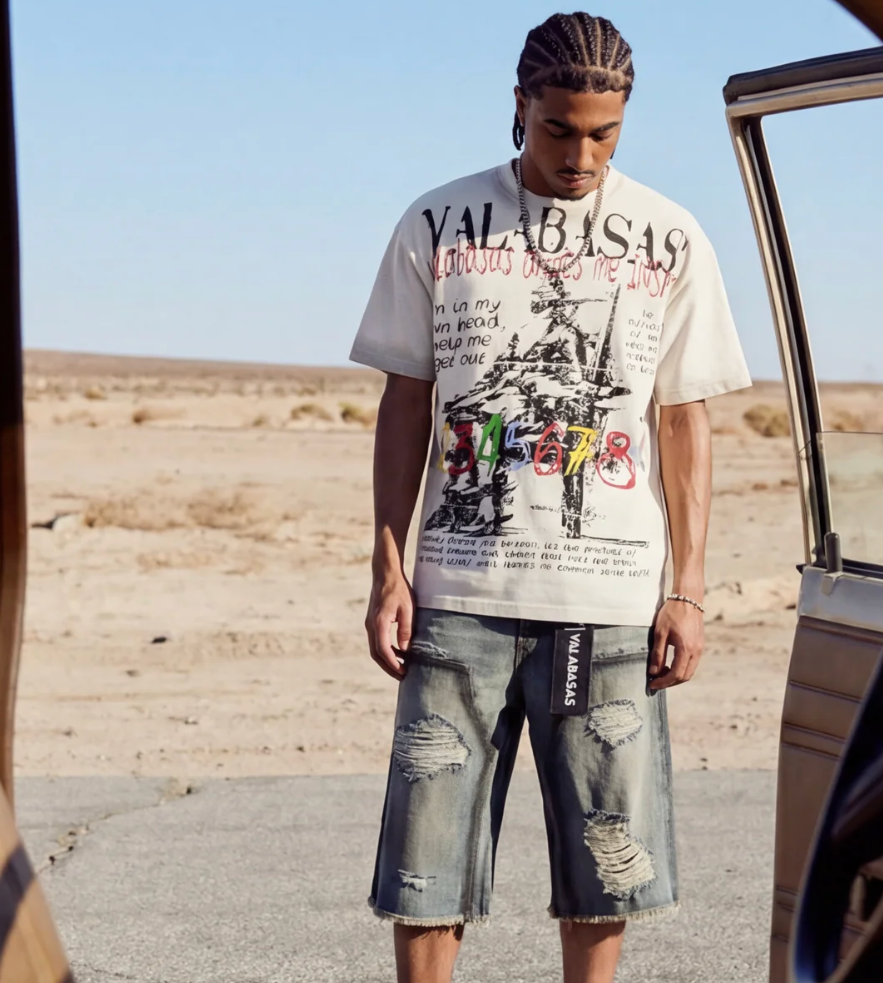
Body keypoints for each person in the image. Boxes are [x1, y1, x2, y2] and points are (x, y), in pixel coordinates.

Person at [347, 11, 751, 983]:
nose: (580, 156)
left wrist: (687, 588)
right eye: (557, 129)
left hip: (606, 602)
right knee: (426, 858)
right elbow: (406, 402)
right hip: (458, 593)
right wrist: (388, 569)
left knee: (607, 860)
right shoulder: (437, 222)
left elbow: (682, 420)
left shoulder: (669, 236)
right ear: (520, 107)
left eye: (603, 134)